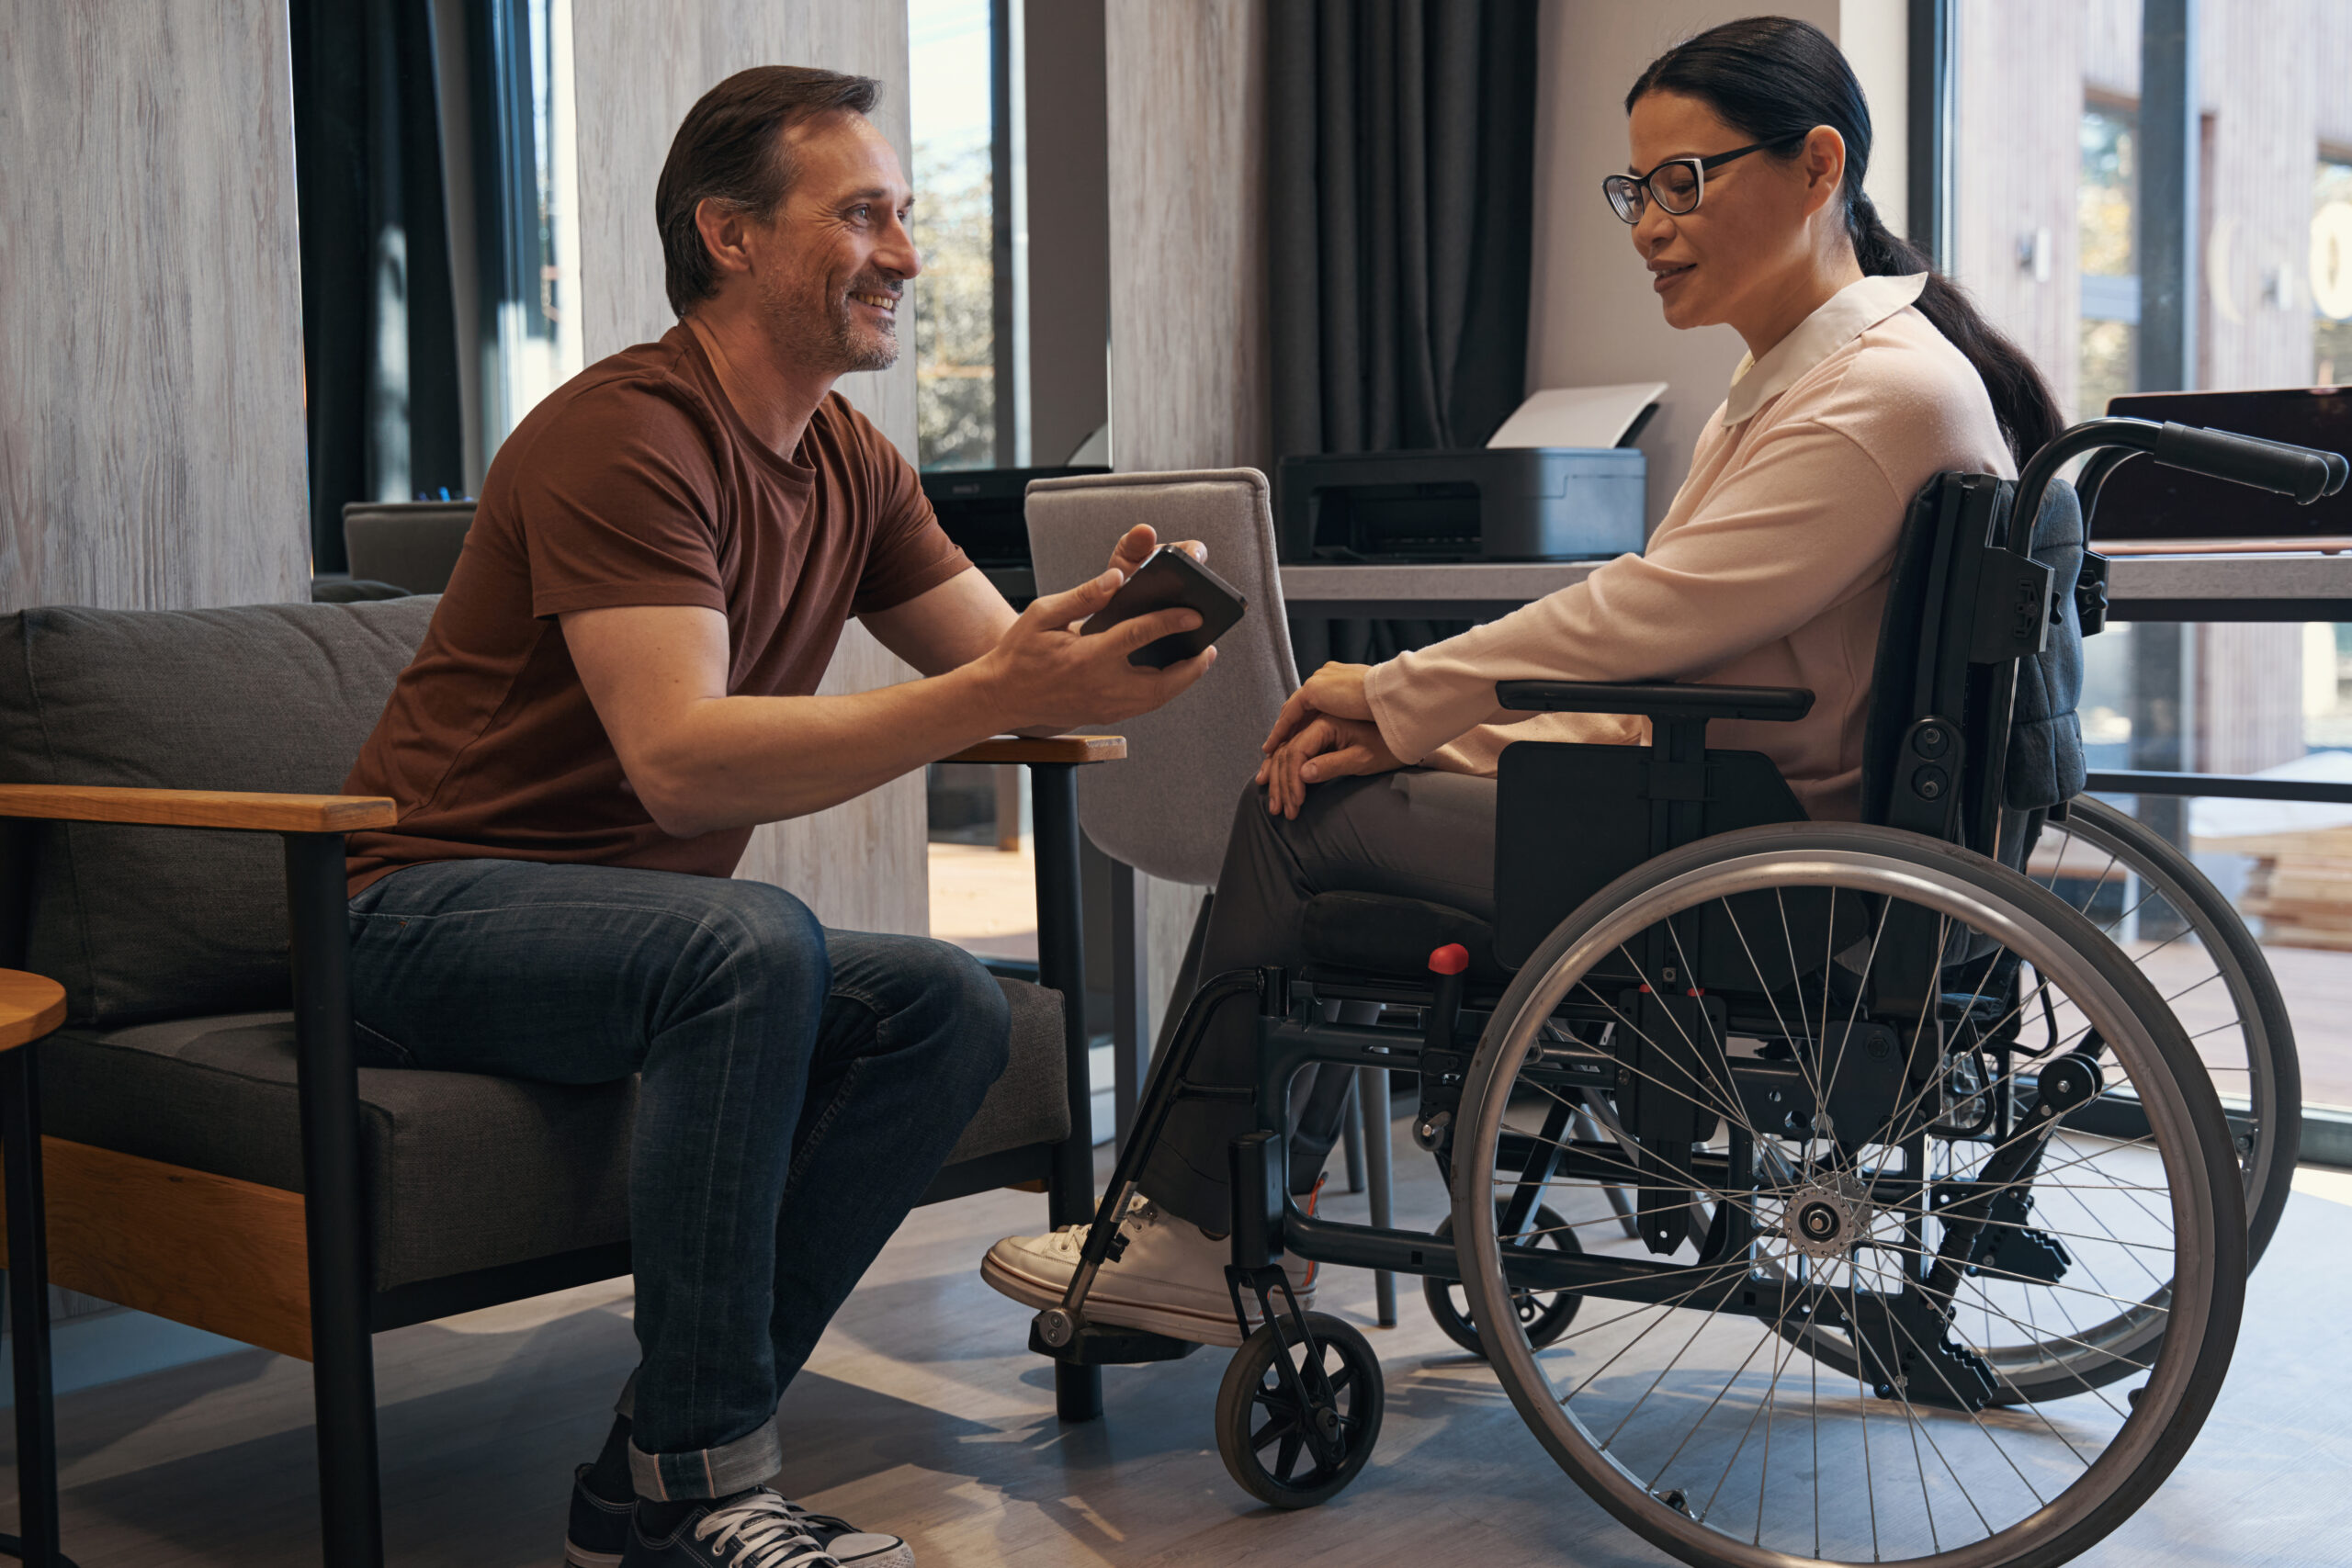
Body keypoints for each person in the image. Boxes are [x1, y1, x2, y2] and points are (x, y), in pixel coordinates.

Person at [981, 15, 2058, 1345]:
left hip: (1754, 863)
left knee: (1301, 814)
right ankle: (1234, 1211)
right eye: (1636, 189)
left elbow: (1651, 618)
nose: (1650, 223)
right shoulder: (1812, 378)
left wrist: (1398, 697)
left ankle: (1200, 1229)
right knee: (1342, 783)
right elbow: (1680, 653)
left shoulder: (1876, 394)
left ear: (1819, 165)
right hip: (1731, 818)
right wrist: (1431, 737)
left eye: (1686, 181)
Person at [341, 67, 1213, 1568]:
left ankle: (650, 1465)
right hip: (421, 911)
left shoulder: (852, 460)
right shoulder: (625, 435)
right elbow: (679, 763)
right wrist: (999, 685)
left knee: (947, 1003)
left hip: (634, 935)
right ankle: (701, 1488)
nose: (908, 255)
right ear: (729, 236)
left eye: (907, 216)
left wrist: (1088, 645)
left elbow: (997, 675)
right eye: (864, 214)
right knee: (749, 946)